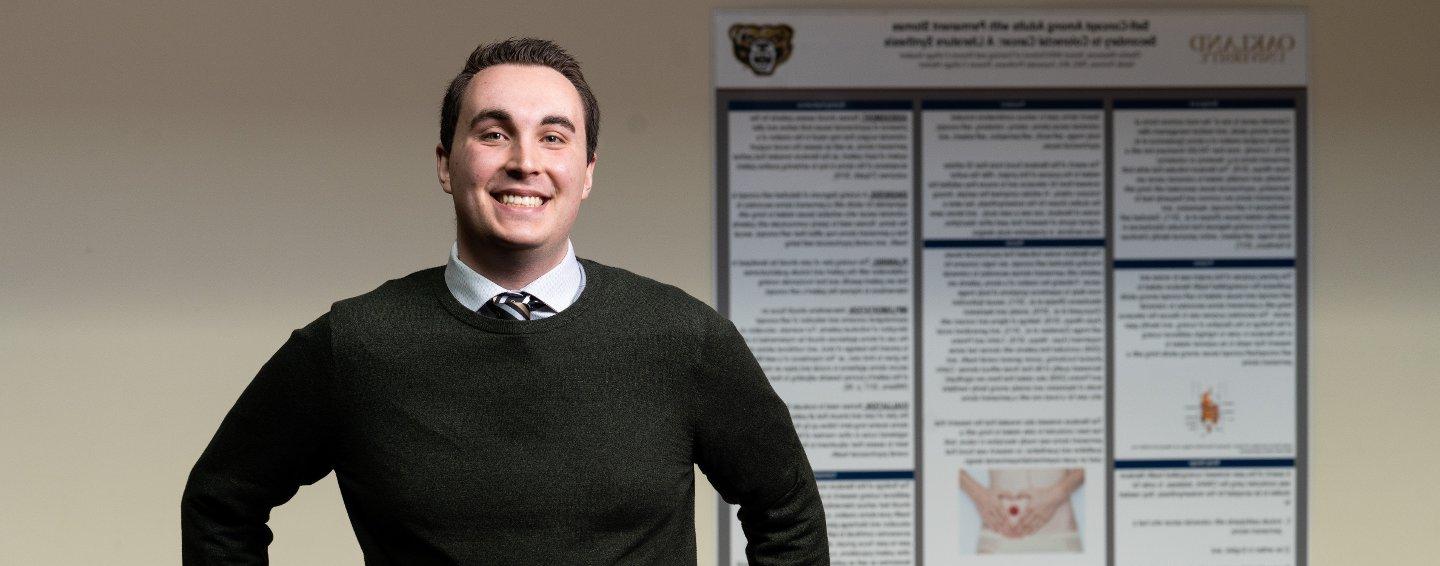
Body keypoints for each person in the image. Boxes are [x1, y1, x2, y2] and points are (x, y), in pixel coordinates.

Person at [181, 38, 829, 565]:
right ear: (446, 162)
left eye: (553, 137)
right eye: (494, 134)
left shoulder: (682, 338)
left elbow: (788, 516)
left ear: (588, 171)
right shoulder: (354, 347)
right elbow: (221, 504)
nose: (525, 161)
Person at [959, 468, 1083, 554]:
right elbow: (941, 453)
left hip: (1059, 532)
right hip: (998, 534)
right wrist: (978, 494)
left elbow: (1092, 460)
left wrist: (1056, 494)